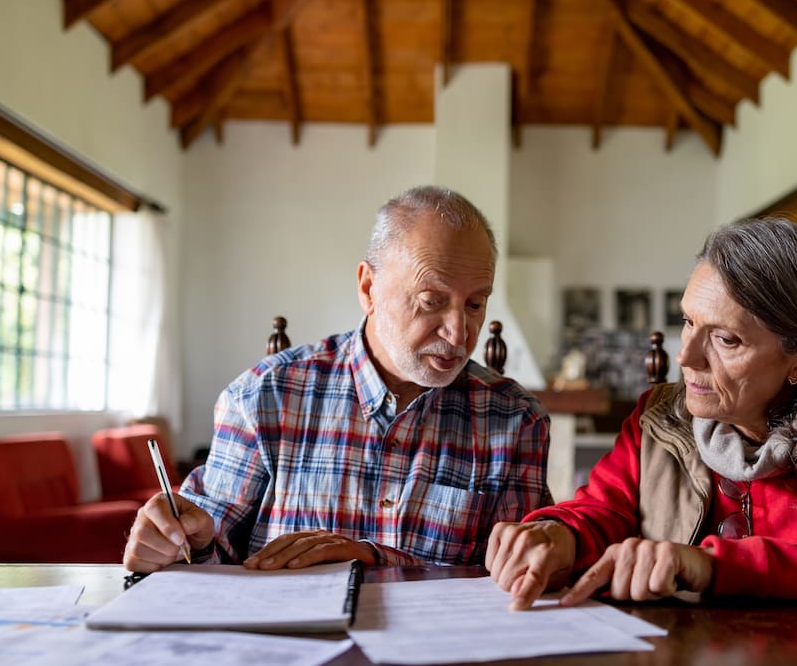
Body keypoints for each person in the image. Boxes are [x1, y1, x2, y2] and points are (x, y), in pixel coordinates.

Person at [485, 217, 797, 638]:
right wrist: (559, 535)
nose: (686, 356)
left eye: (725, 339)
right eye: (687, 322)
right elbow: (599, 511)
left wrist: (717, 566)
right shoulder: (658, 420)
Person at [124, 185, 551, 573]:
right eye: (431, 301)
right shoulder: (263, 398)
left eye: (475, 305)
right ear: (368, 288)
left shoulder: (515, 420)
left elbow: (515, 578)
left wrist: (371, 558)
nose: (459, 334)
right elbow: (208, 555)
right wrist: (176, 545)